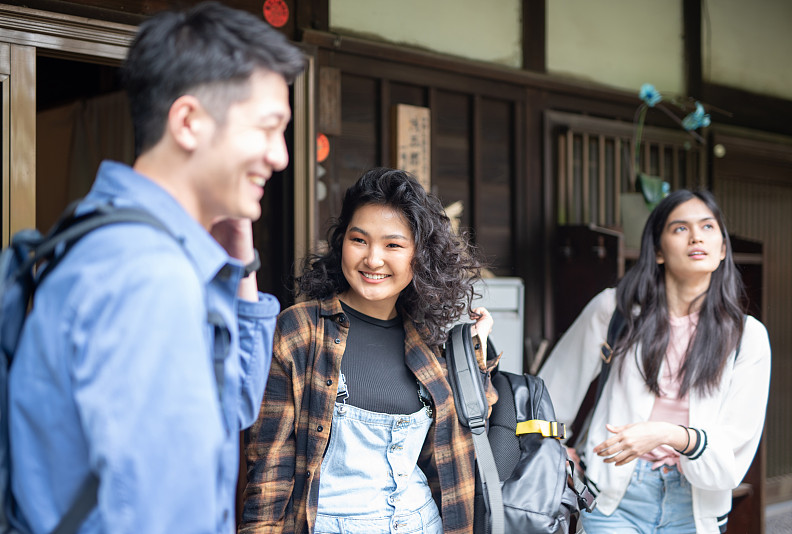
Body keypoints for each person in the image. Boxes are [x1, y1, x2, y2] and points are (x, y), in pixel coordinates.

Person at [8, 3, 305, 533]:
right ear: (188, 122)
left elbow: (232, 404)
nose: (279, 156)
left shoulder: (118, 238)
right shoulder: (149, 276)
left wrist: (239, 258)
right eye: (267, 128)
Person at [239, 168, 498, 534]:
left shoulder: (426, 338)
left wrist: (475, 349)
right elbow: (269, 467)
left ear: (418, 256)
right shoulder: (300, 330)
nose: (373, 259)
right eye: (359, 240)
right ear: (341, 241)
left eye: (393, 245)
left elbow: (466, 436)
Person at [539, 189, 770, 533]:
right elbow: (552, 392)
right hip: (613, 497)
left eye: (708, 227)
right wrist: (557, 453)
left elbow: (732, 455)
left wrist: (666, 434)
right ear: (658, 251)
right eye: (680, 228)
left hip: (695, 506)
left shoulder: (747, 337)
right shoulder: (614, 312)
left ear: (722, 248)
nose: (696, 236)